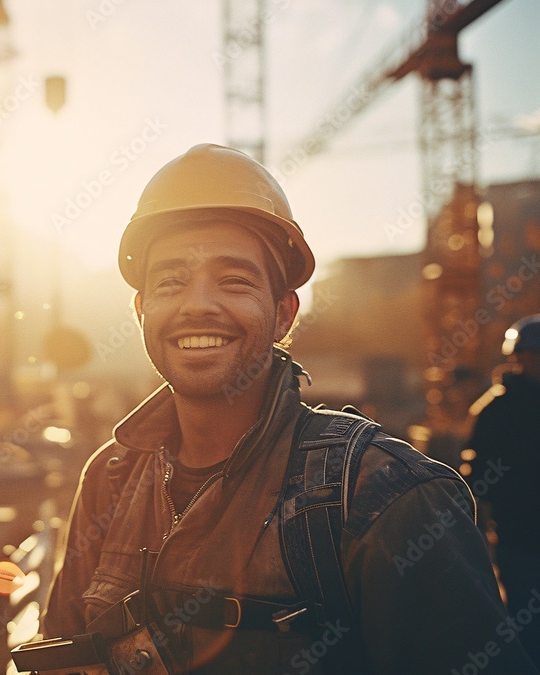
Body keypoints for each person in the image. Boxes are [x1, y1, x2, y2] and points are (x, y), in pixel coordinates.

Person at [39, 144, 537, 673]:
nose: (198, 304)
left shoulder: (386, 499)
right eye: (171, 281)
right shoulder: (109, 480)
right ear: (141, 311)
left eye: (234, 280)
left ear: (283, 315)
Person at [468, 313, 540, 666]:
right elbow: (480, 472)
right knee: (528, 621)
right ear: (520, 357)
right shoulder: (499, 409)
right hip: (520, 535)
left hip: (518, 531)